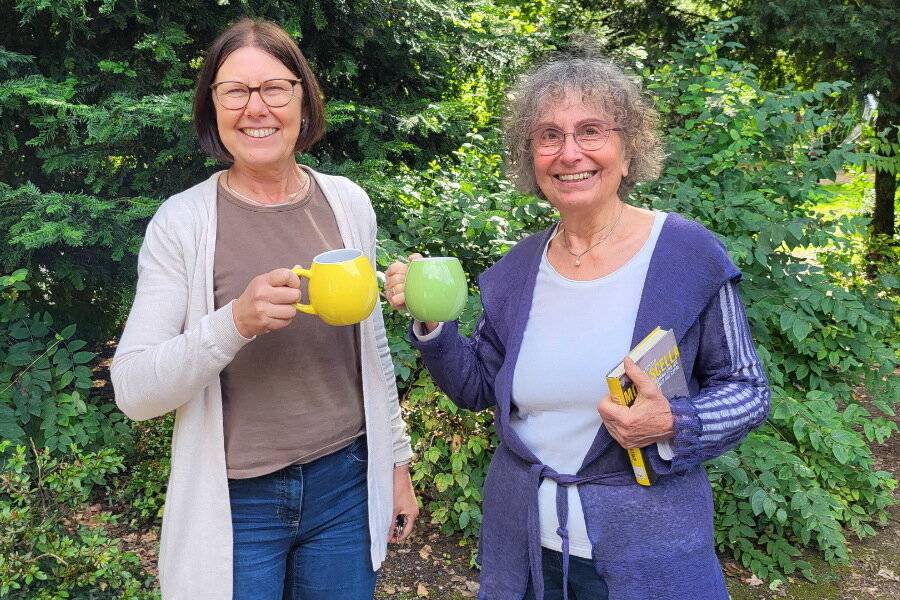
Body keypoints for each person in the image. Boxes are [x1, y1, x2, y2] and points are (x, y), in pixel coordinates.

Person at [384, 51, 770, 600]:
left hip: (652, 548)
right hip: (526, 547)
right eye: (548, 136)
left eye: (591, 131)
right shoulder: (518, 271)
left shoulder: (687, 256)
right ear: (530, 157)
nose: (570, 153)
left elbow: (748, 391)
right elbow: (476, 389)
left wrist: (674, 423)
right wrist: (431, 324)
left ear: (628, 146)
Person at [111, 18, 418, 600]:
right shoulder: (182, 223)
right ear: (213, 107)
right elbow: (134, 390)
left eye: (275, 88)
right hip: (237, 504)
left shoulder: (347, 203)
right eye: (236, 91)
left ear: (303, 98)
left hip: (347, 487)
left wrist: (395, 464)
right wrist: (235, 323)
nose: (257, 108)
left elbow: (371, 346)